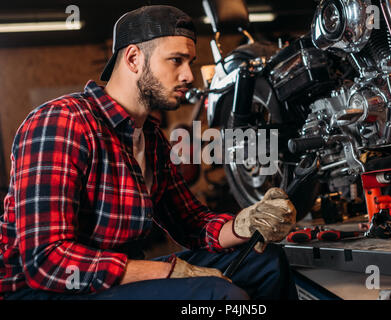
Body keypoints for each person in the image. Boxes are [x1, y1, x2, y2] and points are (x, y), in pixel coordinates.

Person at [0, 5, 298, 300]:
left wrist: (247, 223)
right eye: (176, 61)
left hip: (116, 278)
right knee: (213, 294)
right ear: (133, 58)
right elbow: (46, 261)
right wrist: (168, 272)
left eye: (190, 62)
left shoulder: (152, 138)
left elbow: (191, 223)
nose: (189, 76)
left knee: (265, 263)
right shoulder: (63, 121)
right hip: (43, 290)